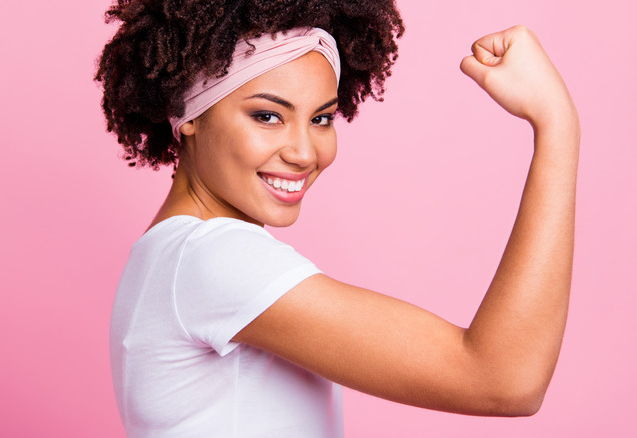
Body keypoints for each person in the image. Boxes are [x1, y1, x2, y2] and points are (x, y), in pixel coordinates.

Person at [96, 0, 580, 436]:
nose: (305, 152)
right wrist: (558, 125)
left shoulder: (167, 256)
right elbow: (504, 379)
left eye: (321, 118)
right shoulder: (212, 259)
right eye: (267, 116)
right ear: (188, 112)